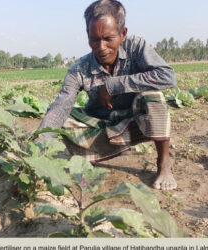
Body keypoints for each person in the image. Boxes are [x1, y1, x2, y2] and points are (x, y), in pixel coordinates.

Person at [38, 0, 177, 190]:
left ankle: (163, 163)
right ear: (87, 37)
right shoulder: (79, 69)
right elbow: (61, 106)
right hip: (102, 125)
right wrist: (35, 150)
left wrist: (114, 85)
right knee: (65, 120)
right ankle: (103, 151)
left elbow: (167, 76)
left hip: (136, 121)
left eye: (108, 39)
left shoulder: (136, 47)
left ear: (123, 34)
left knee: (154, 98)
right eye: (94, 40)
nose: (101, 47)